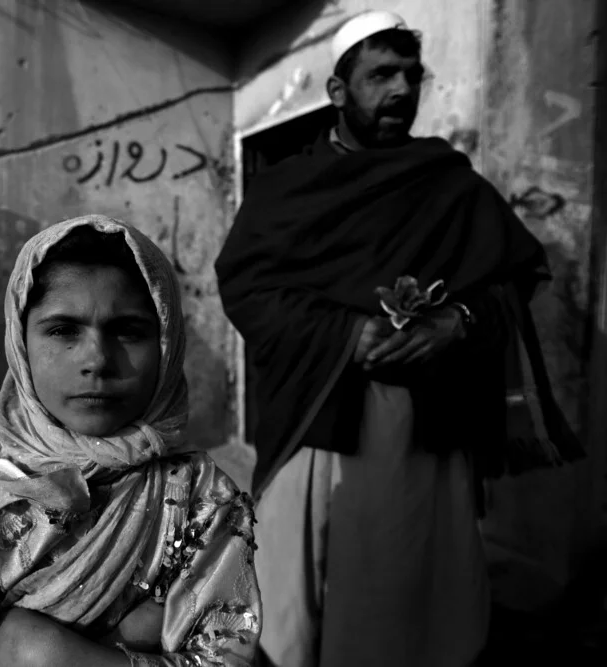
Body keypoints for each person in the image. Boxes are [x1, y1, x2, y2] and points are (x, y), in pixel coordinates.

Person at [214, 10, 582, 667]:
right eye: (381, 75)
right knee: (295, 612)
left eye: (412, 76)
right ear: (336, 91)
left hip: (424, 431)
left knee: (408, 599)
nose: (402, 90)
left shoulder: (448, 181)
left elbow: (512, 279)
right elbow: (247, 288)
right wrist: (346, 333)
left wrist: (458, 322)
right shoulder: (286, 188)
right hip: (318, 415)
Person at [0, 216, 261, 667]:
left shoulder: (204, 499)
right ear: (21, 343)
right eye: (63, 330)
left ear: (167, 344)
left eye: (128, 330)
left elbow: (225, 657)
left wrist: (40, 651)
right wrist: (139, 637)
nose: (96, 360)